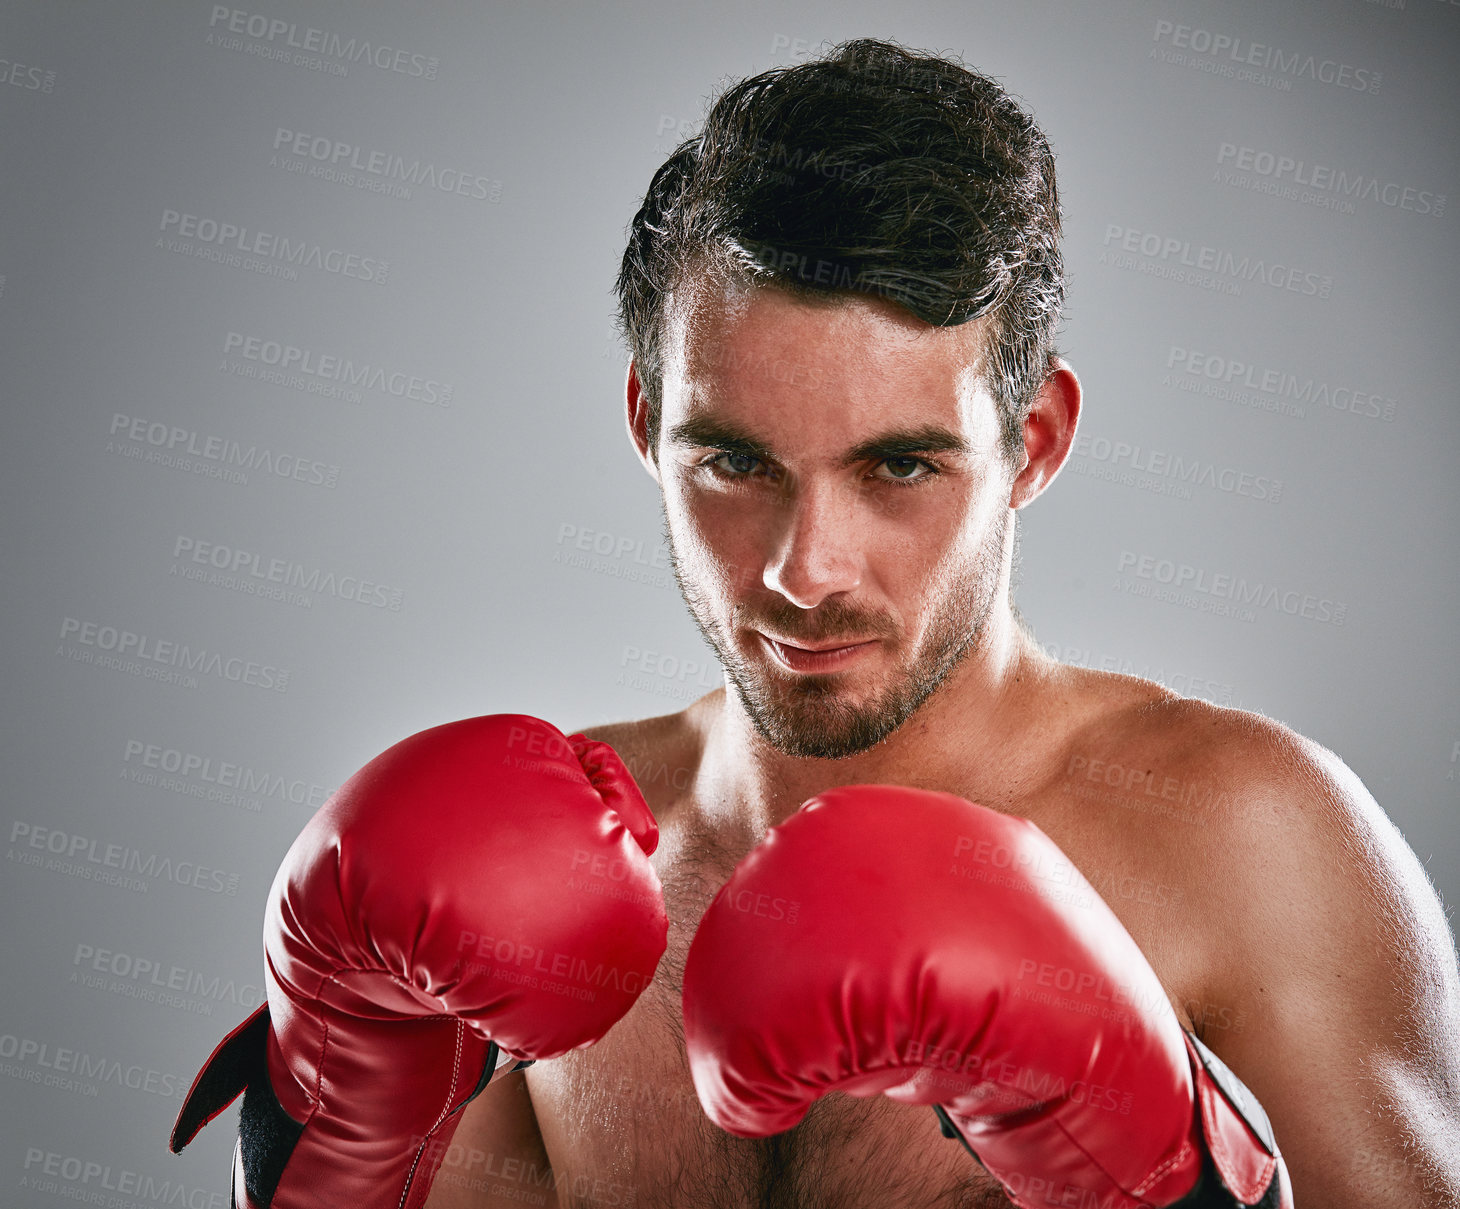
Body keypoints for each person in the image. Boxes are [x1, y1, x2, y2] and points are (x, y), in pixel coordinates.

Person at [170, 39, 1460, 1208]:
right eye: (735, 463)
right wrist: (321, 1108)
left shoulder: (1250, 845)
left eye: (899, 467)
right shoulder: (539, 893)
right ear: (644, 426)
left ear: (1035, 445)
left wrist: (1176, 1173)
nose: (803, 569)